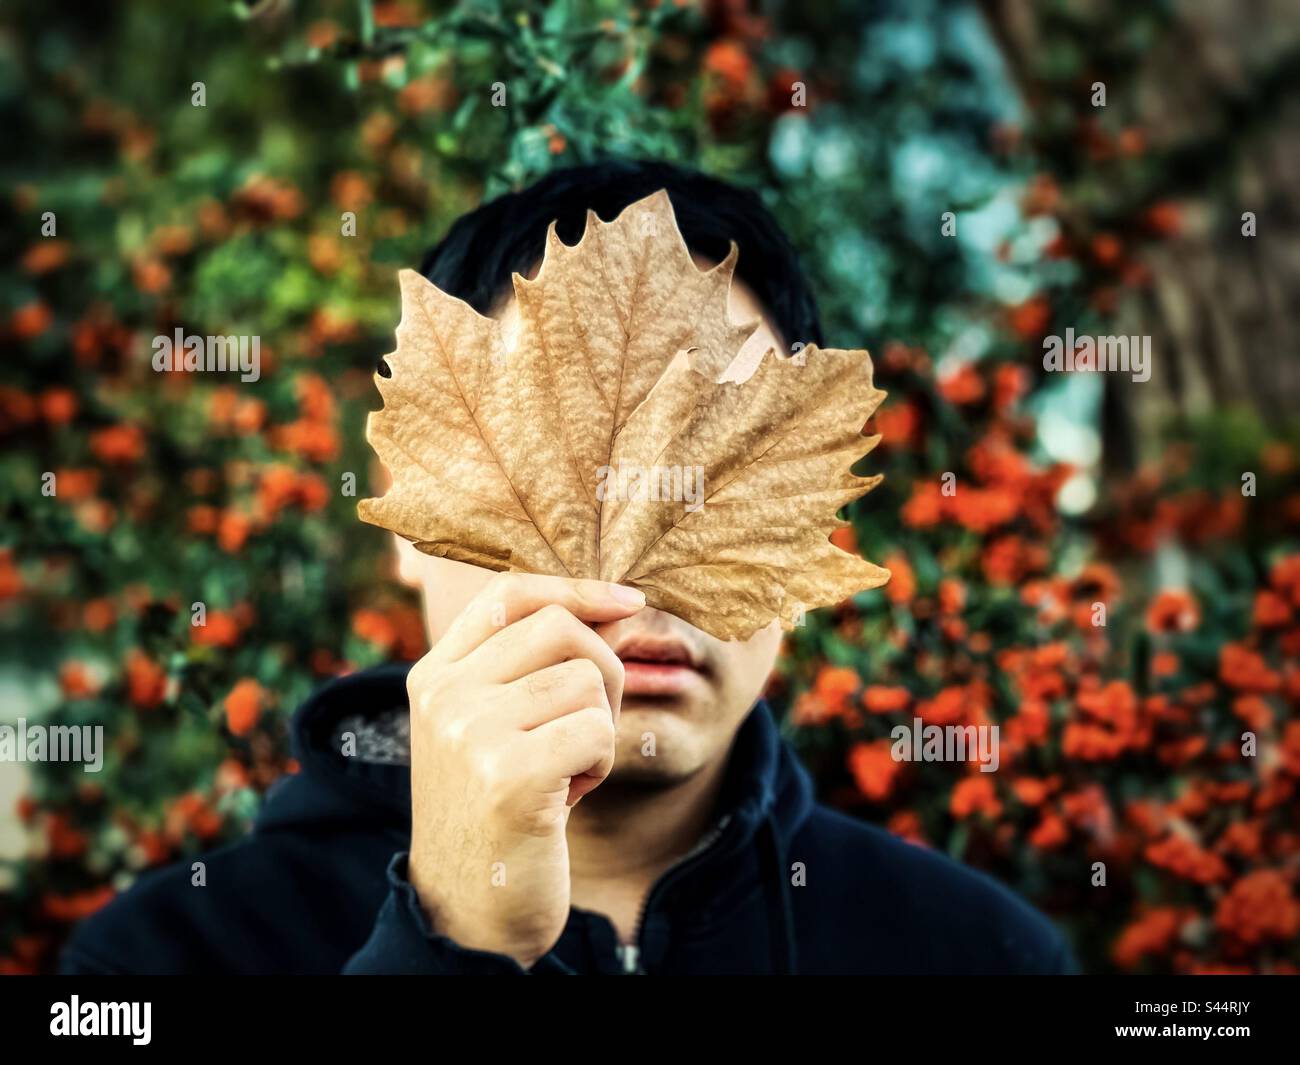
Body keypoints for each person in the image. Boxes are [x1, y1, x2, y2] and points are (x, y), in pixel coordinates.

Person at [62, 160, 1073, 975]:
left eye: (714, 479)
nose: (631, 587)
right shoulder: (160, 958)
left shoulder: (982, 953)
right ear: (406, 512)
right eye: (563, 476)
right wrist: (446, 948)